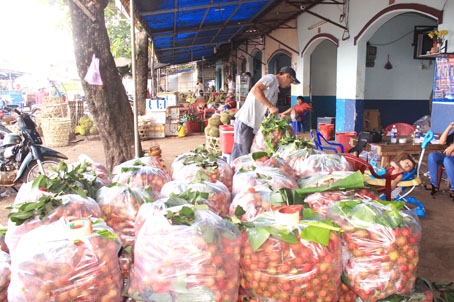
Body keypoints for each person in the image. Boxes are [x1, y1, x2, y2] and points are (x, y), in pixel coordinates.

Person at [231, 66, 301, 160]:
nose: (289, 84)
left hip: (254, 125)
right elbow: (256, 90)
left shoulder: (276, 90)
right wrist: (271, 106)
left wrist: (280, 118)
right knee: (240, 154)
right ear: (287, 75)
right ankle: (234, 173)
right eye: (291, 81)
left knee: (248, 155)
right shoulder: (271, 78)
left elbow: (269, 112)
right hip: (246, 121)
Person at [426, 121, 454, 198]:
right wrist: (449, 127)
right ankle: (434, 184)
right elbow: (441, 142)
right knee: (432, 156)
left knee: (447, 160)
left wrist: (453, 146)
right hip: (449, 159)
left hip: (449, 160)